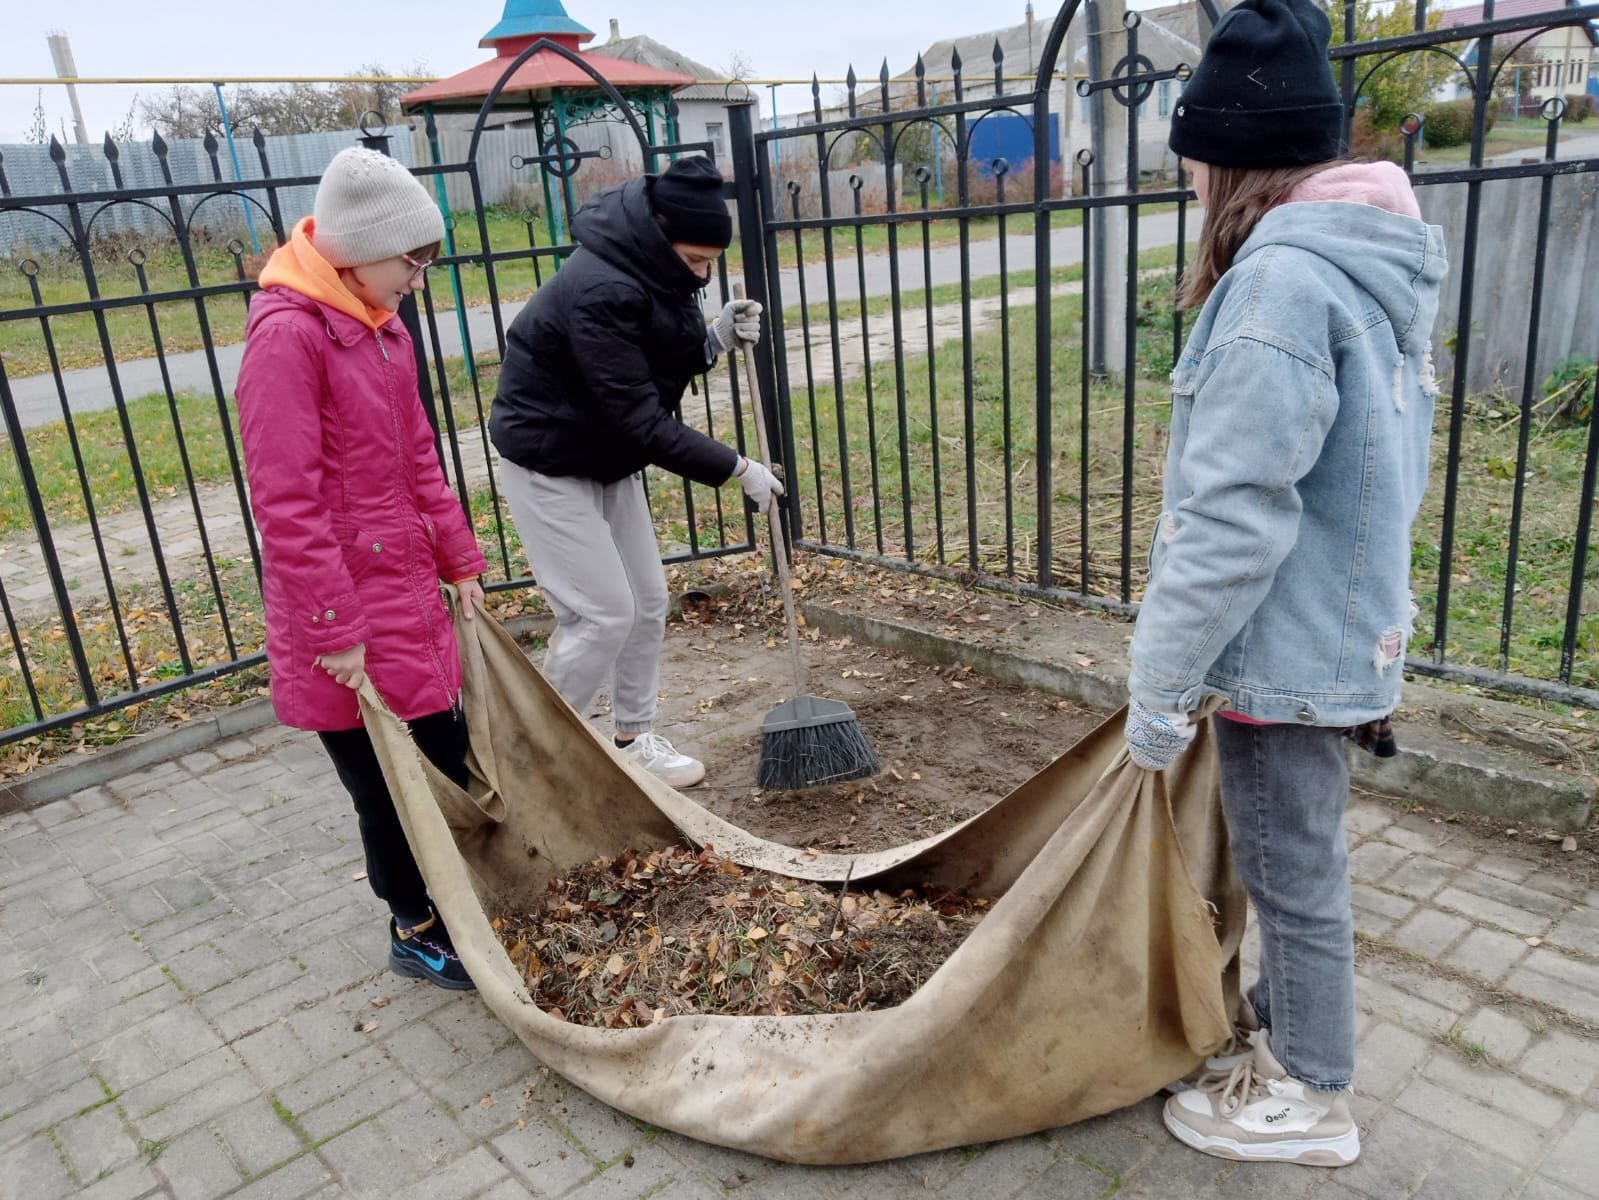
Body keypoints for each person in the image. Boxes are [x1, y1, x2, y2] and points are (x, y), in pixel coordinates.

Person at [1121, 0, 1447, 1167]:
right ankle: (1284, 1030)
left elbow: (1231, 517)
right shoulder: (1361, 264)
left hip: (1286, 648)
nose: (1189, 188)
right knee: (1289, 858)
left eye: (1194, 165)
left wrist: (1156, 694)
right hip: (1336, 628)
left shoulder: (1275, 290)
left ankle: (1312, 1095)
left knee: (1293, 872)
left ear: (1228, 162)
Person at [236, 146, 490, 992]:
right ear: (357, 248)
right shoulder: (287, 338)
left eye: (429, 258)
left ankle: (454, 896)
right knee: (383, 787)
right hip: (341, 612)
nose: (421, 275)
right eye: (411, 259)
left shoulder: (381, 329)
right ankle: (413, 926)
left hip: (406, 591)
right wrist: (333, 634)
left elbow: (420, 456)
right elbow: (285, 502)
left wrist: (460, 559)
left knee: (445, 758)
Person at [490, 156, 781, 788]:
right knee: (601, 614)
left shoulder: (652, 266)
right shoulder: (599, 286)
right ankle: (532, 757)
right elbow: (640, 419)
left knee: (647, 602)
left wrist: (715, 338)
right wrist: (739, 468)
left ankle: (632, 738)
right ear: (658, 233)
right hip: (550, 461)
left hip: (605, 457)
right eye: (698, 261)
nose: (704, 273)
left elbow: (656, 346)